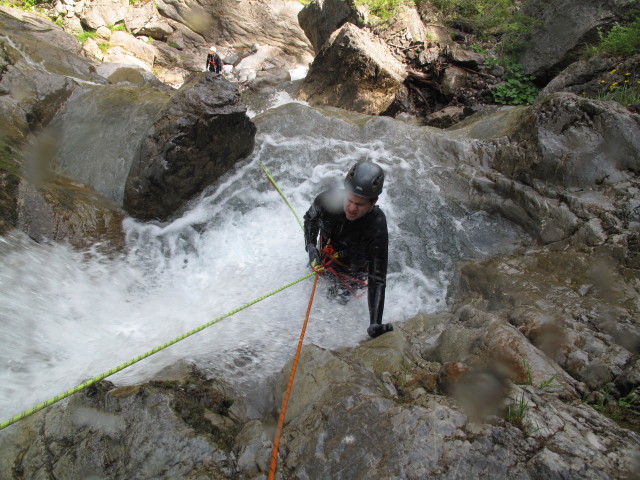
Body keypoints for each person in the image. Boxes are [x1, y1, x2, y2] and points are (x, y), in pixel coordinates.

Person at [303, 162, 393, 338]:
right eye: (349, 200)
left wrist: (375, 321)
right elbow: (310, 219)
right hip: (322, 258)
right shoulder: (326, 201)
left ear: (373, 202)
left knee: (335, 306)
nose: (352, 208)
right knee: (307, 292)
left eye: (359, 204)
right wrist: (311, 247)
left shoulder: (376, 225)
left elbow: (377, 276)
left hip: (351, 274)